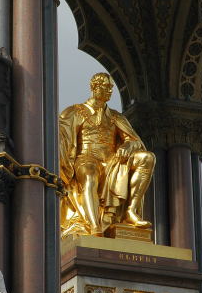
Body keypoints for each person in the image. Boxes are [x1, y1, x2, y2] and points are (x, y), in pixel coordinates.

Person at [59, 72, 155, 237]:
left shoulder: (116, 116)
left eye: (111, 87)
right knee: (89, 176)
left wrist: (127, 145)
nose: (110, 90)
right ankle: (93, 226)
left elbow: (134, 141)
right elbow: (62, 137)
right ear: (94, 87)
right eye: (106, 87)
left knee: (147, 158)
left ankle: (130, 211)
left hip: (113, 161)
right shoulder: (75, 111)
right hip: (86, 158)